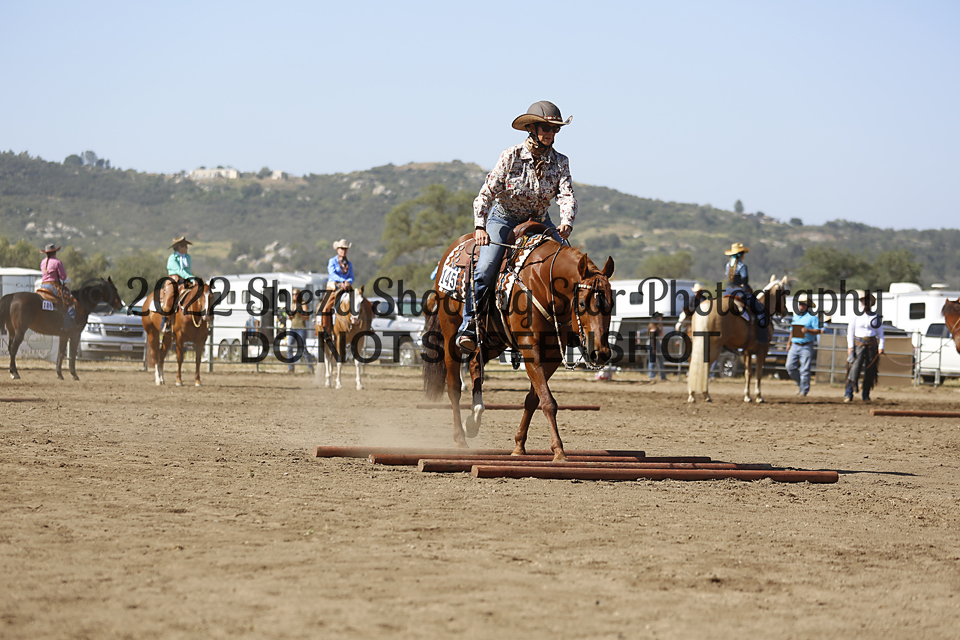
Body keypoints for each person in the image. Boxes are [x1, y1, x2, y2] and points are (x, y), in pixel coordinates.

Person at [458, 100, 577, 352]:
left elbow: (566, 195)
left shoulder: (561, 162)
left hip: (541, 221)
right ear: (532, 128)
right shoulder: (510, 156)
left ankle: (571, 326)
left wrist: (566, 222)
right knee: (486, 267)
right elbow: (486, 194)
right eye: (545, 128)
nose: (550, 133)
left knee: (571, 265)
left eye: (555, 129)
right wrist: (480, 227)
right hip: (505, 218)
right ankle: (469, 324)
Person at [722, 242, 769, 344]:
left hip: (727, 291)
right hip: (739, 292)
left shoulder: (728, 265)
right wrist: (746, 286)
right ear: (741, 255)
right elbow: (745, 279)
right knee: (761, 311)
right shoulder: (742, 266)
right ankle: (762, 339)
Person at [844, 290, 884, 403]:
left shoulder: (875, 316)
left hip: (871, 344)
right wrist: (850, 347)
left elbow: (880, 333)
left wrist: (881, 346)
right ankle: (848, 393)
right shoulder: (855, 315)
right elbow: (850, 332)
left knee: (870, 369)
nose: (865, 303)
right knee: (854, 368)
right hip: (859, 344)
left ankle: (866, 394)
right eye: (863, 300)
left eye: (867, 301)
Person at [786, 293, 821, 397]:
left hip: (806, 345)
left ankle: (804, 390)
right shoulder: (796, 317)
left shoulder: (813, 318)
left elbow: (818, 330)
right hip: (795, 345)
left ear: (807, 306)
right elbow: (792, 331)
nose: (801, 306)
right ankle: (800, 383)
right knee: (789, 367)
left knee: (805, 369)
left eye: (803, 304)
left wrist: (808, 330)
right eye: (800, 304)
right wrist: (789, 343)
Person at [319, 239, 354, 335]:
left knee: (359, 302)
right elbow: (332, 274)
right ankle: (326, 330)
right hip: (334, 286)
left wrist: (347, 282)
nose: (344, 251)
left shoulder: (349, 264)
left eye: (345, 249)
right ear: (337, 249)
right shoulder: (332, 261)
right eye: (342, 249)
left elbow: (351, 276)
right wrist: (342, 281)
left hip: (346, 287)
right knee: (325, 307)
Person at [161, 236, 196, 334]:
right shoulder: (172, 258)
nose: (187, 248)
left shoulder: (188, 257)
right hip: (174, 279)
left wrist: (192, 279)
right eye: (185, 246)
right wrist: (191, 278)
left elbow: (187, 271)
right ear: (179, 247)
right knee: (169, 297)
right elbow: (178, 270)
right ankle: (166, 322)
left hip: (186, 279)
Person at [37, 244, 76, 330]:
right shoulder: (57, 262)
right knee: (70, 302)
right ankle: (66, 326)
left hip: (43, 286)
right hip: (53, 286)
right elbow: (63, 277)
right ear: (55, 252)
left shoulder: (43, 262)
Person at [285, 289, 314, 373]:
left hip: (301, 328)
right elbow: (291, 318)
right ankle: (290, 368)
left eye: (296, 294)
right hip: (293, 328)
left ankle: (310, 367)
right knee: (289, 347)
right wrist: (290, 315)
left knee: (302, 349)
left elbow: (307, 317)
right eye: (293, 294)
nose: (295, 296)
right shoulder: (293, 304)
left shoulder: (303, 304)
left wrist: (298, 313)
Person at [647, 312, 668, 381]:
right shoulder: (653, 326)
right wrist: (653, 348)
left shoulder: (657, 326)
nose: (661, 319)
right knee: (652, 360)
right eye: (659, 318)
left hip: (656, 342)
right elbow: (652, 338)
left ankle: (662, 376)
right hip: (652, 343)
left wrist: (661, 326)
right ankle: (652, 376)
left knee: (660, 359)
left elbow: (661, 335)